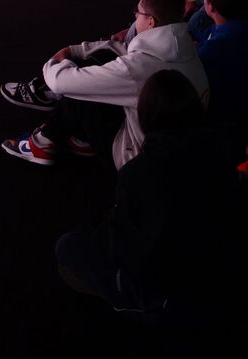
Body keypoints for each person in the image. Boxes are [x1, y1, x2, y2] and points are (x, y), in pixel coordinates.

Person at [54, 68, 234, 316]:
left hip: (169, 287)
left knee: (66, 247)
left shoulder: (140, 171)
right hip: (217, 267)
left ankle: (139, 302)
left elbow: (122, 247)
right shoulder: (221, 147)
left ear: (146, 115)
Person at [0, 0, 210, 170]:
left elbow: (60, 81)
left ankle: (41, 143)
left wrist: (56, 61)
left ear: (151, 22)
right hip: (174, 147)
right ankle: (74, 135)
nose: (135, 17)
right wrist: (74, 50)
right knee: (102, 59)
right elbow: (122, 49)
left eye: (137, 13)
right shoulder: (184, 47)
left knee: (79, 91)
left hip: (136, 158)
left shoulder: (138, 68)